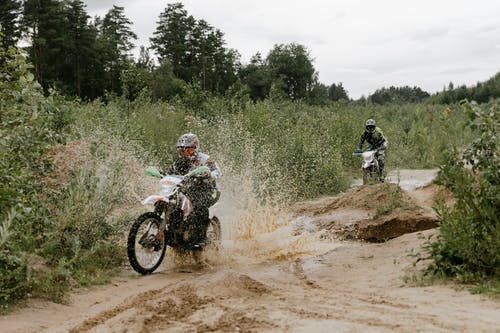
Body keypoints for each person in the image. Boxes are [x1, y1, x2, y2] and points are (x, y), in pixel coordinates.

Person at [164, 133, 221, 248]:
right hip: (190, 190)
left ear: (195, 148)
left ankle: (201, 239)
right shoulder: (178, 163)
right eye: (182, 151)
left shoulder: (205, 159)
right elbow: (170, 174)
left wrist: (208, 174)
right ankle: (174, 234)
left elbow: (217, 172)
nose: (184, 153)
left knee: (199, 207)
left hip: (209, 190)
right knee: (174, 204)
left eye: (187, 150)